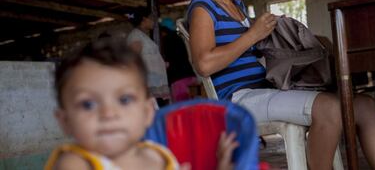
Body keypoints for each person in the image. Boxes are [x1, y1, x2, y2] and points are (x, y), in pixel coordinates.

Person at [187, 0, 375, 170]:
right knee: (329, 108)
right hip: (237, 99)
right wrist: (253, 35)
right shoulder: (203, 6)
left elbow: (249, 52)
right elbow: (204, 64)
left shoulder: (239, 8)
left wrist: (281, 38)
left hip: (264, 89)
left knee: (364, 106)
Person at [44, 39, 239, 170]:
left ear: (147, 112)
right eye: (87, 104)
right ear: (65, 121)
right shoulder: (76, 164)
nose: (108, 113)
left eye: (124, 100)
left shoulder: (159, 157)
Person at [126, 6, 170, 103]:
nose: (153, 20)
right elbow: (132, 62)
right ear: (144, 19)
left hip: (155, 86)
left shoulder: (142, 36)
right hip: (148, 88)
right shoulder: (135, 37)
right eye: (151, 17)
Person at [159, 18, 197, 102]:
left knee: (182, 107)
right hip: (189, 75)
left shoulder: (166, 40)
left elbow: (168, 61)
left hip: (178, 78)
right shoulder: (179, 38)